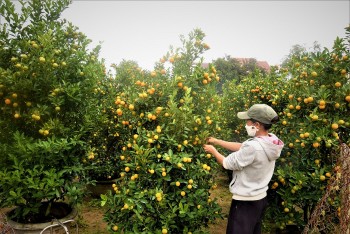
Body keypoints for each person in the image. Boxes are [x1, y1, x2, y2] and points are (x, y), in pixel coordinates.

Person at [203, 103, 284, 234]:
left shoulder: (253, 147)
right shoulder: (269, 142)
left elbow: (226, 163)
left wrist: (213, 151)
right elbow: (242, 146)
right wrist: (218, 141)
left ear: (257, 125)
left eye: (247, 121)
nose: (245, 124)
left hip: (245, 202)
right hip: (260, 198)